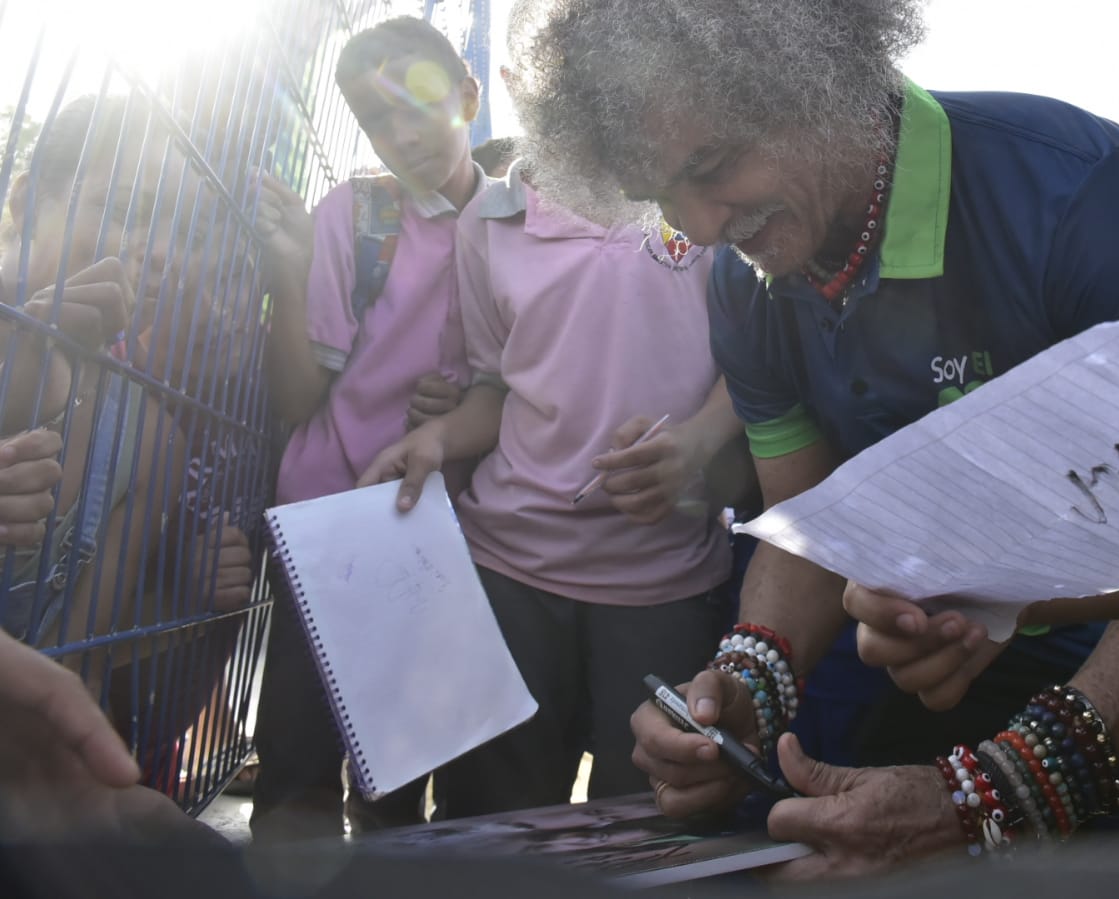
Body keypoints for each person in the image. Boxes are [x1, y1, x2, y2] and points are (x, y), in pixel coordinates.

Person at [510, 0, 1119, 875]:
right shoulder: (743, 282)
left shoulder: (1079, 198)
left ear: (821, 73)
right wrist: (746, 682)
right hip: (959, 714)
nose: (699, 228)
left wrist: (1006, 790)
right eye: (659, 197)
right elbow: (806, 519)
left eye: (714, 167)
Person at [358, 135, 743, 815]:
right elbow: (495, 382)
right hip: (509, 571)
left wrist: (695, 441)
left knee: (649, 818)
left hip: (664, 579)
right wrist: (438, 438)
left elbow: (761, 367)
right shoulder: (487, 221)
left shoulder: (708, 197)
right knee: (488, 820)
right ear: (522, 79)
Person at [249, 16, 485, 841]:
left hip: (434, 540)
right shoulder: (360, 212)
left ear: (467, 96)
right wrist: (290, 272)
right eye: (375, 119)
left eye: (417, 105)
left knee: (396, 795)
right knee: (295, 776)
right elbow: (295, 395)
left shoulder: (513, 229)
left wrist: (458, 414)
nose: (400, 134)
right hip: (330, 521)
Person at [0, 93, 254, 779]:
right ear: (25, 203)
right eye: (124, 209)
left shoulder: (149, 437)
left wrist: (187, 599)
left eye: (179, 228)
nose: (160, 251)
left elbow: (69, 663)